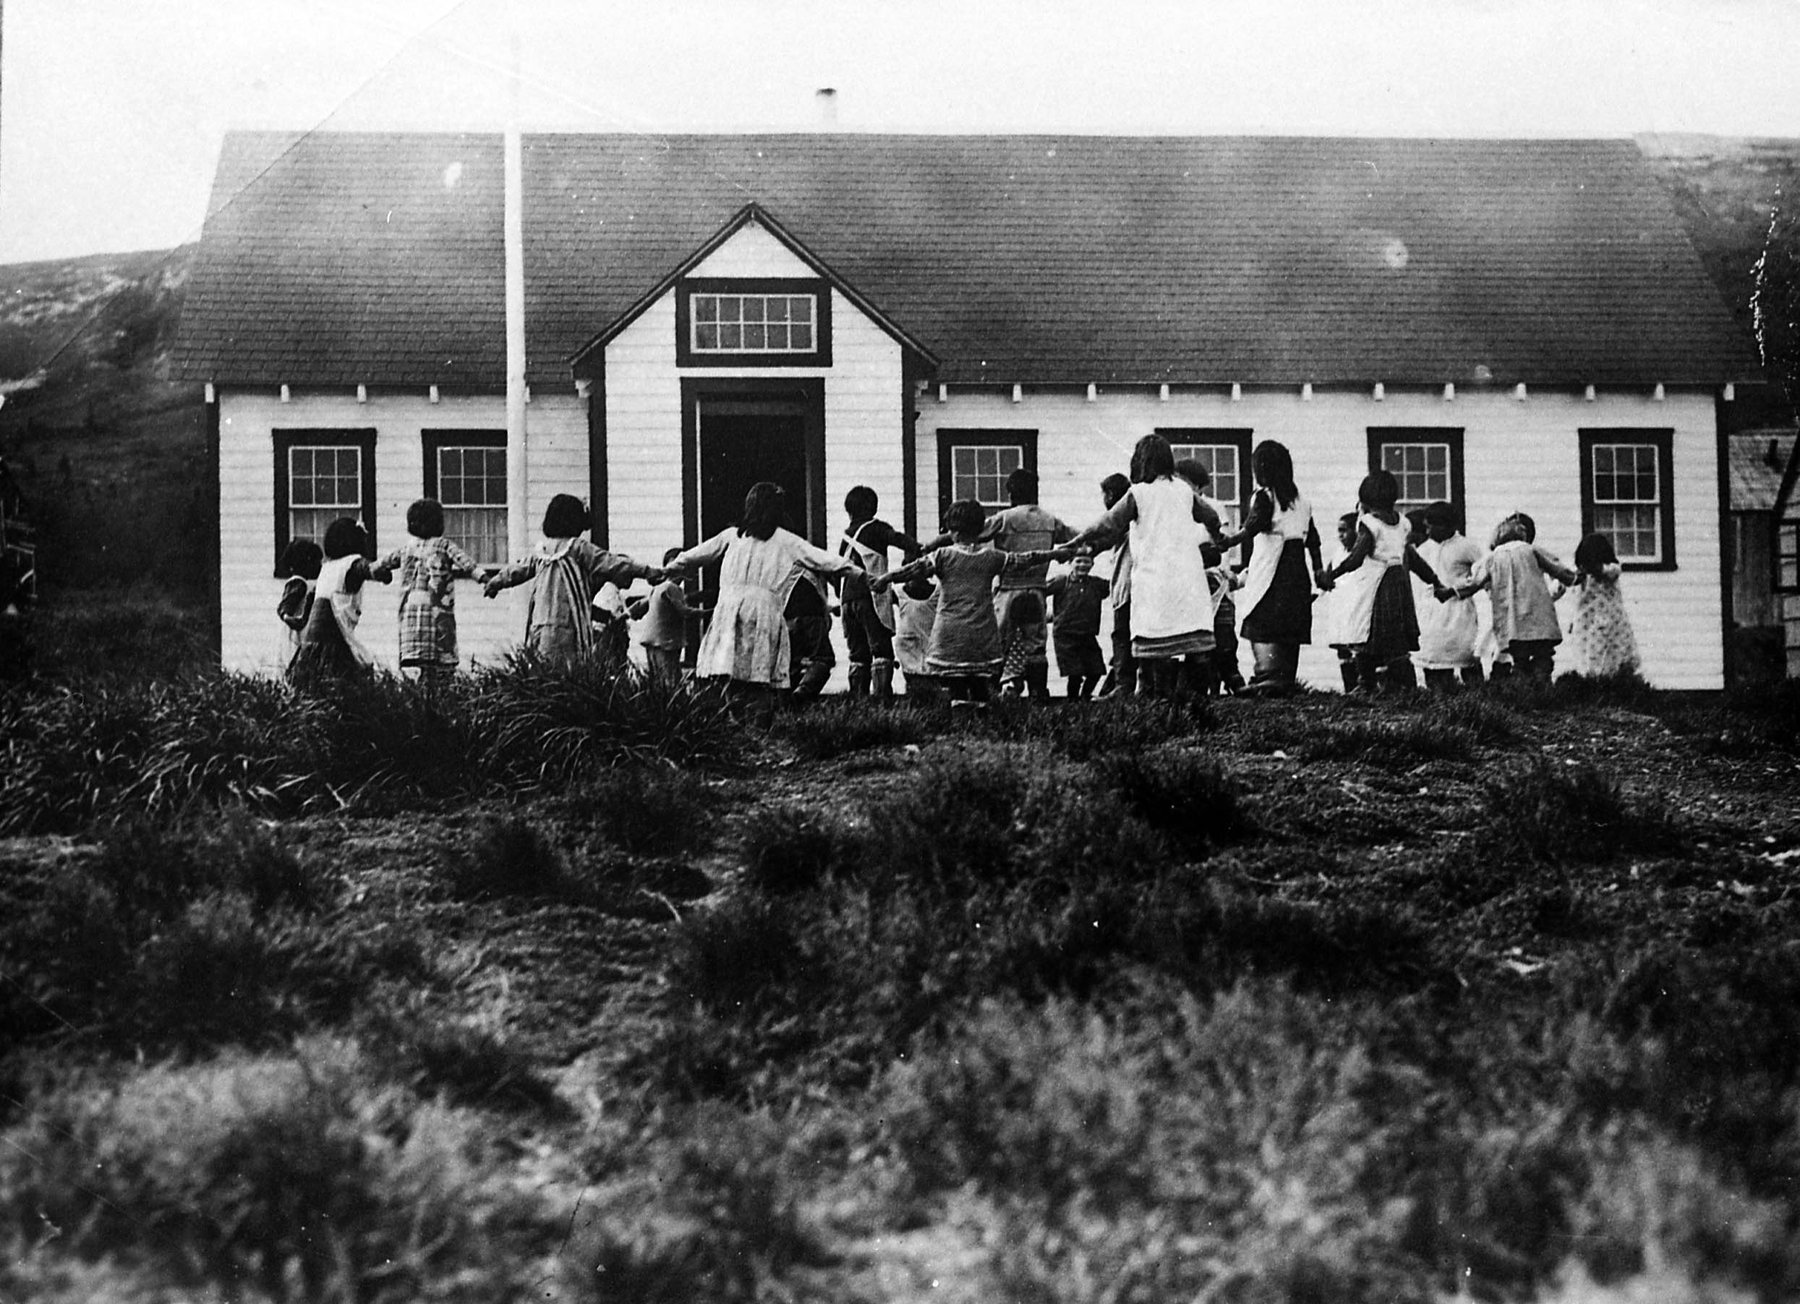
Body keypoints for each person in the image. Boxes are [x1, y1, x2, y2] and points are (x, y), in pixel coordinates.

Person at [663, 482, 854, 713]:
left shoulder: (732, 536)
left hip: (731, 613)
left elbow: (694, 555)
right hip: (762, 613)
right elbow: (822, 559)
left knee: (730, 671)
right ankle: (761, 727)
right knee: (758, 678)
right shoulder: (785, 540)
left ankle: (736, 726)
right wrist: (858, 572)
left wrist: (664, 571)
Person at [874, 499, 1071, 704]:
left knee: (956, 686)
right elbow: (1026, 559)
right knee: (980, 683)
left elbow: (913, 569)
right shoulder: (992, 557)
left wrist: (885, 578)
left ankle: (961, 716)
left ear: (954, 532)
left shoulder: (943, 556)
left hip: (951, 632)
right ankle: (981, 715)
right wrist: (1055, 553)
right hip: (981, 631)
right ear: (979, 529)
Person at [1065, 435, 1217, 700]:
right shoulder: (1184, 491)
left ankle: (1152, 695)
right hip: (1187, 578)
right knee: (1191, 639)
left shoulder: (1139, 493)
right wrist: (1220, 537)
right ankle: (1193, 699)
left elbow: (1108, 523)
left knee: (1152, 637)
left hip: (1154, 577)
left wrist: (1080, 538)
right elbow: (1211, 516)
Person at [484, 494, 661, 664]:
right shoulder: (577, 548)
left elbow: (518, 569)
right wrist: (646, 571)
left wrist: (496, 582)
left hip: (539, 622)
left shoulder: (541, 551)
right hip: (567, 622)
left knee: (543, 666)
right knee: (567, 669)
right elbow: (611, 562)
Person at [1318, 471, 1449, 692]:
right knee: (1395, 639)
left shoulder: (1369, 523)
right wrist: (1435, 581)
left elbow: (1356, 557)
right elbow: (1413, 559)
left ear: (1365, 499)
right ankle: (1406, 685)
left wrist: (1332, 575)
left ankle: (1365, 683)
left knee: (1362, 630)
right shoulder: (1403, 524)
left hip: (1376, 585)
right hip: (1399, 585)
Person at [1216, 440, 1323, 696]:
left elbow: (1254, 524)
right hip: (1297, 573)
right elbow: (1314, 540)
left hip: (1274, 568)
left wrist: (1231, 540)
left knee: (1261, 617)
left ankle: (1267, 676)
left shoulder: (1264, 496)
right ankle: (1283, 677)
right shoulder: (1302, 502)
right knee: (1289, 624)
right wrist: (1318, 570)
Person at [973, 468, 1076, 699]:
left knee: (998, 642)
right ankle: (1038, 691)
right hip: (1037, 590)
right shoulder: (1049, 520)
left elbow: (973, 533)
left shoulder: (1005, 518)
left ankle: (991, 692)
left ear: (1011, 493)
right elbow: (1075, 537)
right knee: (1036, 644)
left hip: (1009, 589)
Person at [373, 499, 487, 687]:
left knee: (415, 666)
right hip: (437, 611)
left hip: (411, 614)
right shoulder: (443, 545)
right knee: (441, 665)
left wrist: (376, 572)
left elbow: (381, 564)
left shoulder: (406, 549)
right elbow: (465, 562)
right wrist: (484, 579)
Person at [1461, 513, 1578, 682]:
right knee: (1504, 657)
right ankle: (1512, 688)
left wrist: (1543, 597)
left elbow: (1558, 582)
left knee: (1537, 658)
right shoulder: (1498, 557)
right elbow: (1484, 585)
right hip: (1508, 616)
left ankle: (1537, 688)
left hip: (1530, 615)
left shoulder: (1532, 553)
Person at [838, 486, 923, 698]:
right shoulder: (876, 528)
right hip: (871, 597)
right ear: (872, 507)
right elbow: (897, 538)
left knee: (857, 654)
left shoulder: (845, 537)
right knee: (881, 651)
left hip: (847, 600)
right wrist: (918, 549)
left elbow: (836, 570)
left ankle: (858, 701)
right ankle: (882, 700)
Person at [287, 517, 391, 689]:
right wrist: (383, 573)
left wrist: (303, 617)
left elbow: (312, 596)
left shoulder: (326, 568)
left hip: (314, 637)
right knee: (352, 675)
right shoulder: (353, 562)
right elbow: (367, 569)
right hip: (335, 630)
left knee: (313, 679)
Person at [1172, 458, 1239, 695]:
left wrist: (1223, 571)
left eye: (1185, 483)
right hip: (1185, 581)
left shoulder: (1213, 508)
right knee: (1192, 640)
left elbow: (1222, 547)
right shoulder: (1174, 508)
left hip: (1212, 578)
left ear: (1199, 486)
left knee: (1220, 635)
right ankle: (1194, 690)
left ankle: (1226, 682)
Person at [1413, 501, 1484, 690]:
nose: (1427, 532)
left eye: (1431, 527)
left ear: (1447, 525)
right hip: (1430, 615)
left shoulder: (1466, 546)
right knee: (1433, 662)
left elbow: (1483, 575)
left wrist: (1456, 589)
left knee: (1465, 660)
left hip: (1458, 615)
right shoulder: (1423, 550)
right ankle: (1441, 705)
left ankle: (1476, 703)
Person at [1565, 532, 1640, 677]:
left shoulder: (1611, 570)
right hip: (1584, 624)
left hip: (1609, 624)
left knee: (1609, 661)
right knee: (1586, 662)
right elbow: (1567, 590)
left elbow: (1608, 570)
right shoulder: (1580, 576)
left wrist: (1591, 569)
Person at [1092, 472, 1135, 697]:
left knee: (1121, 635)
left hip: (1127, 585)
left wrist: (1087, 548)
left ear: (1110, 494)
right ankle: (1120, 683)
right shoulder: (1135, 513)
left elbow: (1104, 537)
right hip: (1142, 585)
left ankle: (1122, 685)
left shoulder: (1119, 517)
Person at [628, 547, 696, 685]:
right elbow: (685, 611)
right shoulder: (671, 589)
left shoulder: (660, 588)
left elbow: (643, 603)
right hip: (666, 642)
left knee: (659, 679)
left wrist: (630, 612)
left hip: (654, 640)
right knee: (669, 679)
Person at [1046, 554, 1109, 699]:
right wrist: (1047, 615)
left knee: (1096, 670)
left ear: (1092, 564)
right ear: (1070, 563)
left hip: (1087, 635)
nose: (1082, 565)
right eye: (1078, 561)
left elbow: (1116, 586)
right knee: (1075, 673)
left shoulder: (1097, 584)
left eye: (1087, 561)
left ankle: (1085, 698)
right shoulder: (1062, 581)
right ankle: (1072, 701)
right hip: (1065, 636)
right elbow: (1039, 591)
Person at [1321, 512, 1368, 692]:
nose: (1341, 535)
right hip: (1340, 609)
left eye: (1344, 530)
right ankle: (1349, 689)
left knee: (1357, 649)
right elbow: (1327, 577)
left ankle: (1363, 688)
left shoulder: (1362, 556)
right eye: (1338, 531)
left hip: (1356, 609)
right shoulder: (1337, 553)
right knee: (1343, 650)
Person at [784, 571, 837, 700]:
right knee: (823, 658)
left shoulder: (783, 558)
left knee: (794, 661)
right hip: (812, 612)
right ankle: (802, 695)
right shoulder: (813, 556)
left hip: (788, 615)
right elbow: (833, 576)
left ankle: (787, 699)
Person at [892, 576, 939, 701]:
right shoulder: (938, 591)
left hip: (908, 641)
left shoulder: (898, 591)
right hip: (926, 641)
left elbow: (879, 602)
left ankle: (914, 709)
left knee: (914, 682)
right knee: (929, 681)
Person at [276, 538, 324, 657]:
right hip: (295, 635)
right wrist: (287, 617)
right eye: (317, 561)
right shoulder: (299, 583)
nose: (320, 566)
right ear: (306, 562)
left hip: (298, 634)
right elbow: (286, 603)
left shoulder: (306, 585)